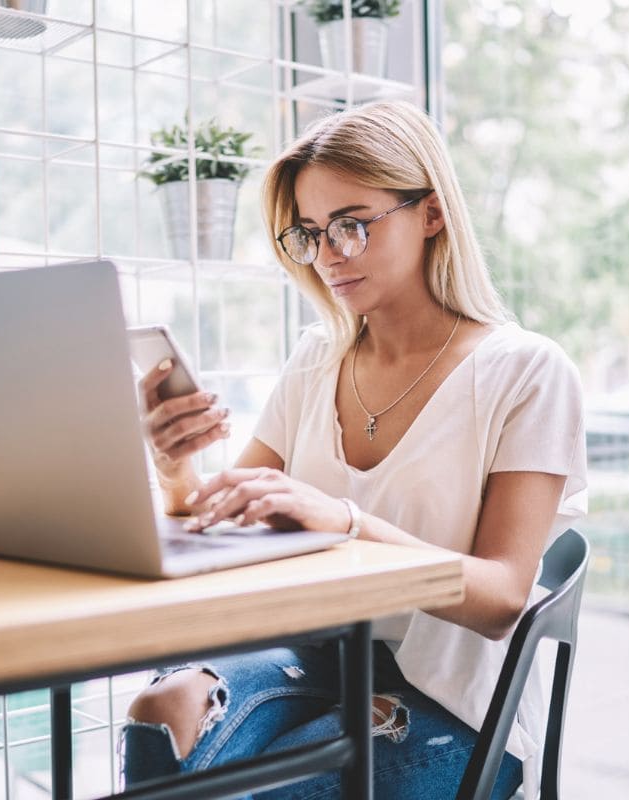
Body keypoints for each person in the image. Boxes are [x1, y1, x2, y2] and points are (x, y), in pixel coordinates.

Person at [120, 100, 588, 800]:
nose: (331, 254)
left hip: (448, 695)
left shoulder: (527, 371)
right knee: (162, 713)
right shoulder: (317, 360)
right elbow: (209, 519)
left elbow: (500, 597)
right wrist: (174, 462)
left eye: (353, 224)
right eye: (312, 233)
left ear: (431, 213)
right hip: (309, 656)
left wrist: (343, 518)